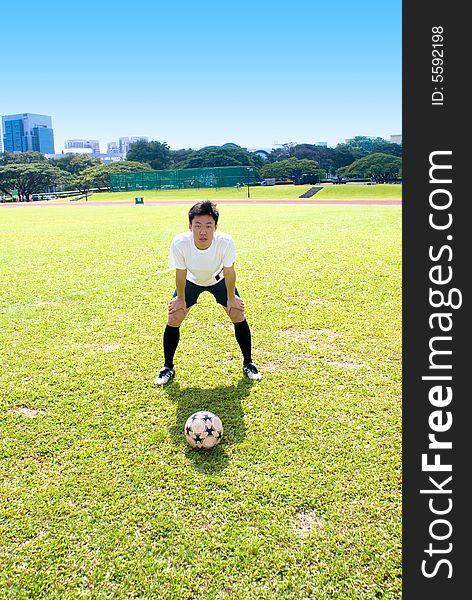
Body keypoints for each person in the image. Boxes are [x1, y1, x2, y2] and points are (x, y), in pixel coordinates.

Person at [154, 200, 262, 385]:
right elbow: (181, 273)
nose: (203, 231)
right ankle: (167, 367)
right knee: (174, 317)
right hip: (191, 281)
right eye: (198, 226)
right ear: (190, 226)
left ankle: (248, 363)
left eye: (208, 226)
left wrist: (231, 298)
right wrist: (180, 299)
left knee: (237, 313)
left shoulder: (225, 242)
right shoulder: (180, 243)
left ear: (216, 227)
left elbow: (229, 271)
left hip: (219, 280)